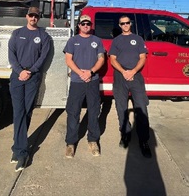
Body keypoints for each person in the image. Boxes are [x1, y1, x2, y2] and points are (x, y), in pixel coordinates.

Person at [8, 6, 51, 172]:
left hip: (33, 78)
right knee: (18, 112)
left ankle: (17, 148)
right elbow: (11, 55)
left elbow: (43, 58)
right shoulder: (17, 33)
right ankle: (22, 151)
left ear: (39, 18)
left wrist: (30, 71)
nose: (33, 18)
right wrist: (20, 71)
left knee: (26, 112)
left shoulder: (44, 37)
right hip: (18, 77)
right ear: (27, 17)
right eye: (31, 15)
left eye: (36, 16)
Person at [109, 15, 152, 158]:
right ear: (120, 25)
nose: (125, 25)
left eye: (127, 23)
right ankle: (125, 135)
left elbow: (143, 57)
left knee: (141, 108)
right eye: (123, 23)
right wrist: (123, 72)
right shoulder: (116, 41)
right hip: (120, 76)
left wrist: (133, 71)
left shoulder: (138, 39)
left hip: (136, 76)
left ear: (130, 24)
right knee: (121, 108)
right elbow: (112, 59)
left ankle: (144, 141)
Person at [63, 15, 105, 158]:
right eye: (83, 23)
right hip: (77, 81)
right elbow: (68, 60)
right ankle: (70, 143)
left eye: (88, 23)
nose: (86, 25)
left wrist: (91, 72)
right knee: (73, 112)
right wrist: (81, 73)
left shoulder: (97, 41)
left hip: (92, 81)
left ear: (90, 25)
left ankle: (93, 140)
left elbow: (101, 59)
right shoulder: (73, 41)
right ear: (79, 25)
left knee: (94, 111)